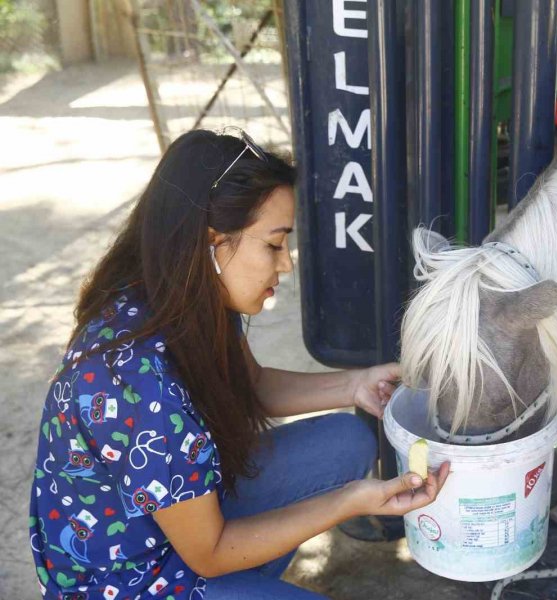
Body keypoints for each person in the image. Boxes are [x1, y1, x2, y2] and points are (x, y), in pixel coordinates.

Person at [28, 128, 451, 600]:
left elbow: (251, 384)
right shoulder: (139, 382)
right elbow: (208, 553)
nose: (286, 265)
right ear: (212, 244)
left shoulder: (186, 298)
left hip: (170, 529)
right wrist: (349, 501)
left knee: (345, 440)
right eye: (273, 245)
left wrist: (355, 385)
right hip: (129, 582)